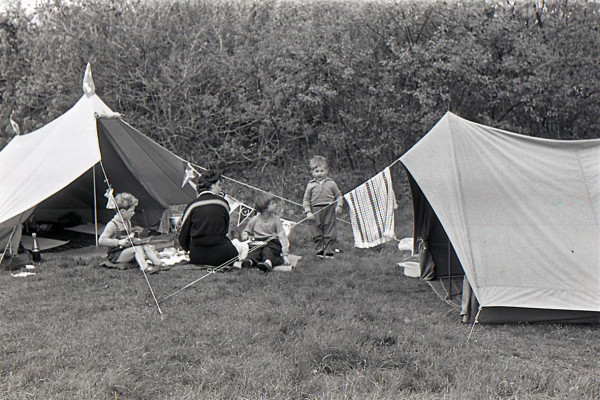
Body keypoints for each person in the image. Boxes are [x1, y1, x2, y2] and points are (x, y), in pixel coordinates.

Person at [178, 169, 238, 267]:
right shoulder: (223, 204)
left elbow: (183, 236)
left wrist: (189, 248)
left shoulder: (192, 206)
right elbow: (225, 229)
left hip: (198, 256)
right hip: (222, 254)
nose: (220, 189)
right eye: (219, 185)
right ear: (212, 185)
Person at [98, 192, 164, 271]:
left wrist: (135, 239)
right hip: (116, 255)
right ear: (123, 211)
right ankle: (145, 268)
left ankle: (158, 263)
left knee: (145, 245)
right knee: (137, 248)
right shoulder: (112, 225)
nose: (133, 213)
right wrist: (119, 242)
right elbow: (101, 240)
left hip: (126, 250)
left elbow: (128, 236)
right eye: (132, 211)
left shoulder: (127, 222)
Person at [302, 155, 343, 258]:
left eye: (321, 171)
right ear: (312, 172)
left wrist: (339, 206)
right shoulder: (310, 185)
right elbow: (306, 200)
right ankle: (319, 250)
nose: (319, 174)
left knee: (330, 230)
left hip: (329, 209)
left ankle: (329, 251)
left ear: (326, 171)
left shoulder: (331, 183)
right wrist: (308, 212)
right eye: (316, 171)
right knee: (316, 231)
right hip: (315, 210)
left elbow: (338, 195)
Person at [240, 192, 290, 272]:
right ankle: (249, 261)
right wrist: (245, 235)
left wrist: (285, 254)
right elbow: (246, 231)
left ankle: (268, 263)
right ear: (265, 207)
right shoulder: (255, 219)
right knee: (255, 252)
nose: (276, 205)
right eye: (273, 203)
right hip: (258, 243)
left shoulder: (276, 220)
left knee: (269, 251)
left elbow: (282, 236)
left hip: (272, 243)